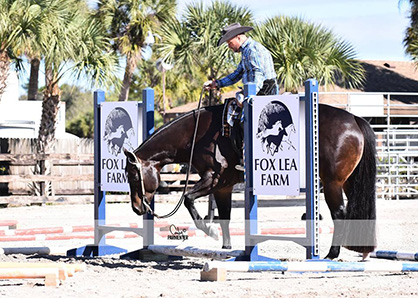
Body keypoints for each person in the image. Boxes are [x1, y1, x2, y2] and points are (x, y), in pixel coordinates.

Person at [205, 23, 279, 171]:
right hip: (259, 90)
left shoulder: (253, 50)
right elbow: (238, 74)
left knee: (246, 119)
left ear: (238, 37)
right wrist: (217, 83)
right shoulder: (247, 51)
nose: (229, 46)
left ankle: (251, 158)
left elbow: (258, 76)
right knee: (236, 117)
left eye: (229, 42)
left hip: (264, 92)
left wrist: (248, 97)